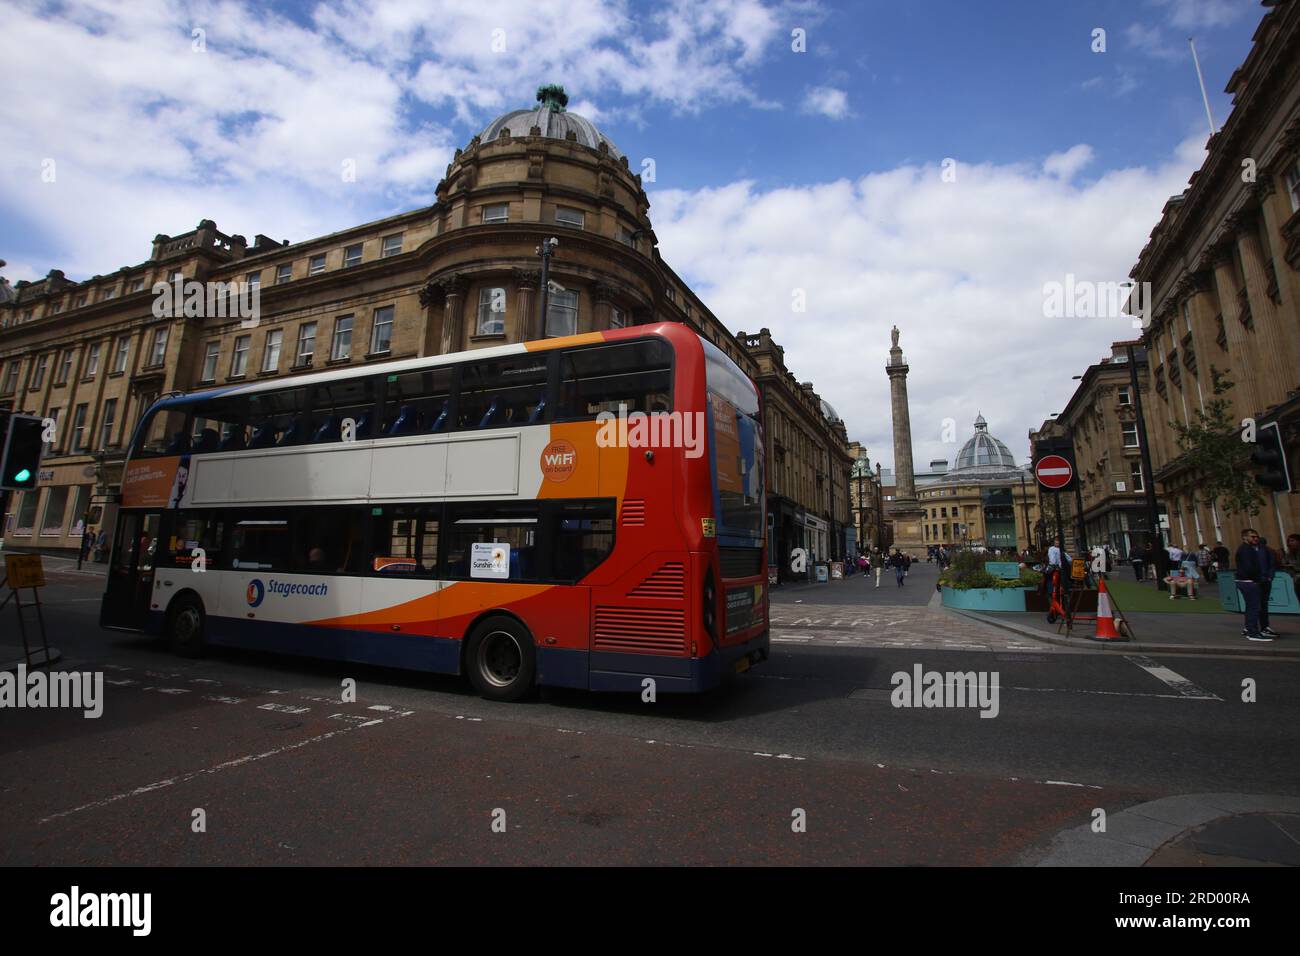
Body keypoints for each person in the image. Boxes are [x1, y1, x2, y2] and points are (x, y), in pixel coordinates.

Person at [1234, 528, 1277, 641]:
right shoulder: (1246, 550)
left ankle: (1250, 629)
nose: (1255, 538)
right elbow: (1249, 568)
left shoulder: (1249, 549)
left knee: (1252, 606)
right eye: (1252, 536)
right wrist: (1259, 579)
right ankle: (1252, 632)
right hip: (1249, 582)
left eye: (1256, 536)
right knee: (1254, 607)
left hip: (1248, 581)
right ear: (1245, 537)